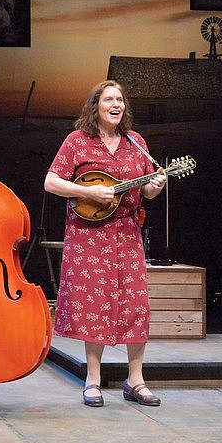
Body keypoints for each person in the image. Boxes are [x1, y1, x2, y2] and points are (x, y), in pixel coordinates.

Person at [43, 80, 166, 408]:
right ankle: (93, 380)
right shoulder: (78, 142)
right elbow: (51, 181)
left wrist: (155, 186)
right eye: (109, 99)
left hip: (126, 235)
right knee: (94, 306)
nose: (116, 105)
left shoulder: (135, 143)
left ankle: (135, 380)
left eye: (121, 100)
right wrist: (88, 192)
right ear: (95, 106)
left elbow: (146, 191)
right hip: (88, 236)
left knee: (135, 306)